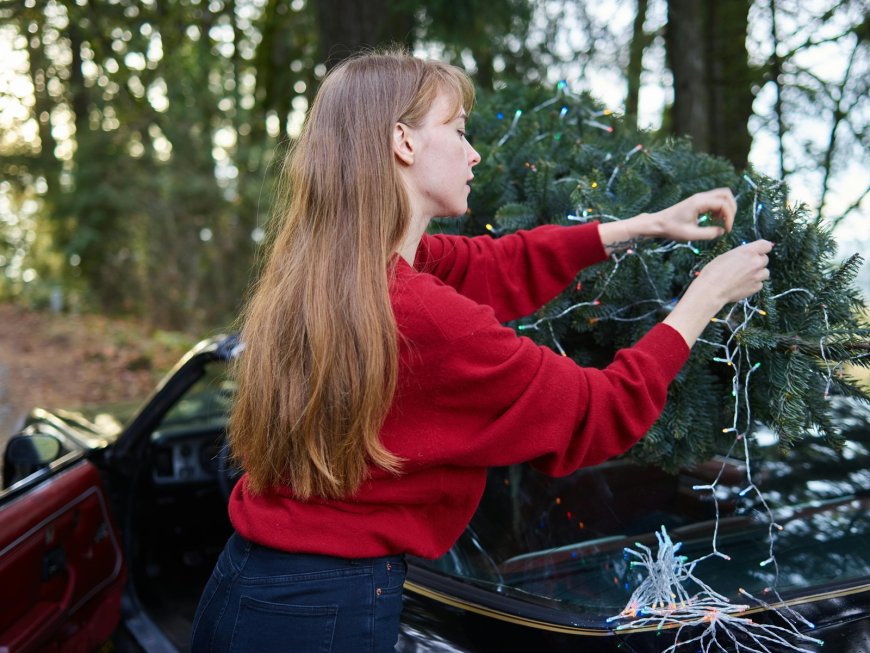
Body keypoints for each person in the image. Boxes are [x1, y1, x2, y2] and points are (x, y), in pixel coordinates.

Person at [190, 50, 772, 652]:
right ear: (403, 142)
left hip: (249, 585)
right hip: (320, 615)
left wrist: (644, 225)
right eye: (459, 130)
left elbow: (497, 262)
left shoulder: (336, 271)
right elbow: (596, 411)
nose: (473, 154)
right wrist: (705, 298)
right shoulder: (420, 314)